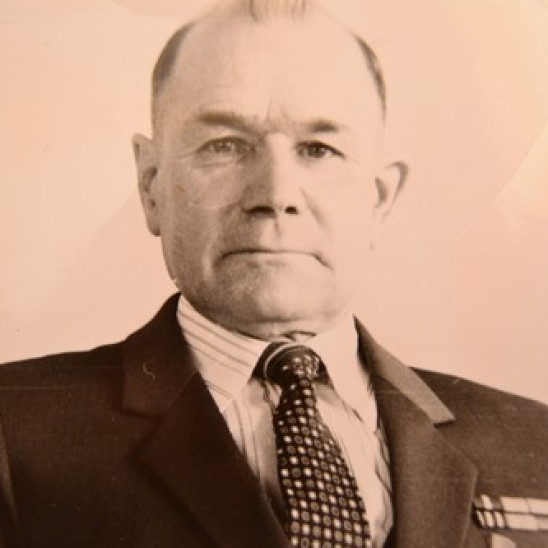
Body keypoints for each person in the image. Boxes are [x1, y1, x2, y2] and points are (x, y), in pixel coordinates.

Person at [1, 1, 547, 547]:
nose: (276, 194)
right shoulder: (14, 431)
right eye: (224, 145)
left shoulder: (535, 444)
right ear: (150, 186)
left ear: (379, 199)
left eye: (320, 149)